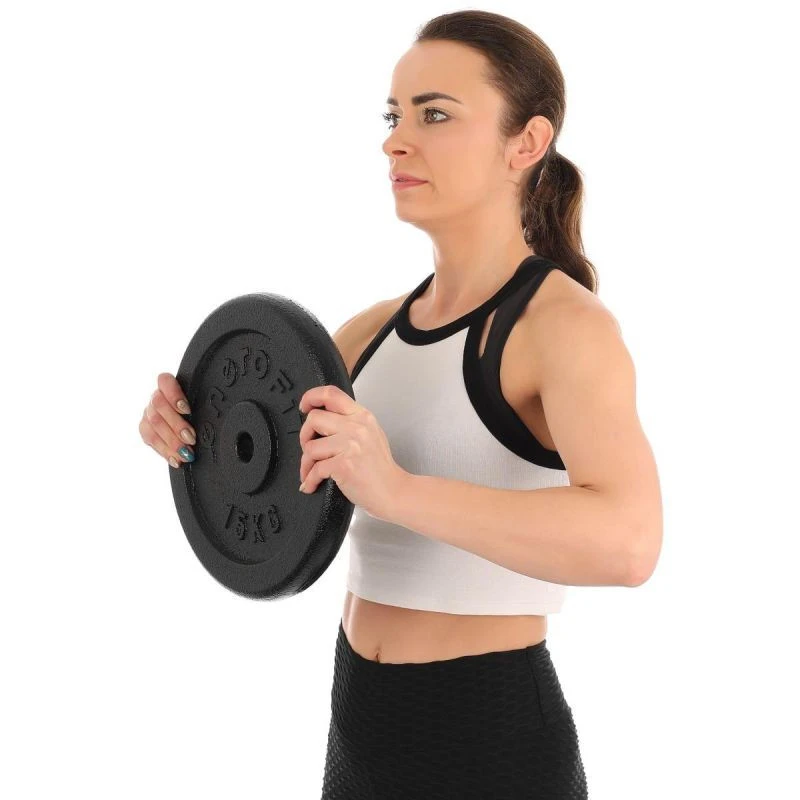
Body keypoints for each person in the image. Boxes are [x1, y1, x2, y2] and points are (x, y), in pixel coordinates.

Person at [140, 9, 662, 799]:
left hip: (488, 739)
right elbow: (269, 481)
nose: (396, 141)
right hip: (357, 728)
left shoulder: (560, 327)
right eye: (394, 117)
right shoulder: (365, 335)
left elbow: (629, 542)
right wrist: (192, 437)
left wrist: (398, 491)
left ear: (526, 142)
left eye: (435, 115)